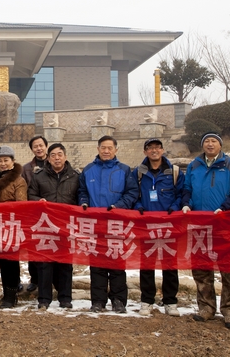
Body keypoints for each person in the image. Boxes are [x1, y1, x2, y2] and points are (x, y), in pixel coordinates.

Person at [182, 132, 230, 329]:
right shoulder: (194, 165)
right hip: (199, 224)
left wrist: (226, 207)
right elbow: (187, 189)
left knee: (228, 268)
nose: (210, 144)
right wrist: (186, 203)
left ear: (220, 145)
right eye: (206, 141)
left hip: (224, 223)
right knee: (201, 268)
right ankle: (206, 307)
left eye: (213, 141)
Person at [78, 136, 139, 314]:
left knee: (117, 263)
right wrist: (83, 202)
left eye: (109, 148)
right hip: (95, 225)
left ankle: (119, 300)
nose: (106, 151)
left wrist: (119, 206)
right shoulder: (88, 170)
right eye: (103, 148)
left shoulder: (124, 170)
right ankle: (98, 301)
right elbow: (82, 191)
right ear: (98, 149)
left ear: (115, 150)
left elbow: (132, 192)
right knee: (96, 264)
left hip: (117, 223)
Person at [132, 138, 184, 317]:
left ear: (162, 150)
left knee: (170, 264)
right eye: (150, 148)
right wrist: (138, 206)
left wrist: (175, 207)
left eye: (157, 147)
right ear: (145, 151)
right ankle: (147, 300)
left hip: (169, 224)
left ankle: (170, 301)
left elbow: (182, 193)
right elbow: (133, 193)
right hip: (146, 224)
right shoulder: (138, 172)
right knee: (147, 264)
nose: (154, 150)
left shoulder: (174, 172)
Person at [28, 143, 79, 310]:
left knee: (65, 263)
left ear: (65, 156)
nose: (57, 158)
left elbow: (80, 197)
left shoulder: (75, 176)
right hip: (46, 226)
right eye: (53, 155)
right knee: (44, 264)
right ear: (48, 159)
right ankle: (44, 299)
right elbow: (30, 194)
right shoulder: (39, 176)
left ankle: (65, 298)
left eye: (60, 154)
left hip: (66, 225)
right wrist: (38, 201)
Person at [0, 146, 27, 308]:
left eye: (6, 160)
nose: (2, 163)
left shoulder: (18, 180)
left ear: (13, 161)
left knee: (11, 261)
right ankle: (6, 293)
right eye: (0, 160)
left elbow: (21, 204)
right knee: (3, 260)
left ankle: (11, 296)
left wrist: (0, 207)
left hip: (11, 224)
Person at [21, 135, 48, 293]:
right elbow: (24, 190)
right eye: (35, 146)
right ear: (32, 149)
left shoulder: (54, 163)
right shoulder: (26, 169)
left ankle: (52, 280)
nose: (39, 148)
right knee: (33, 247)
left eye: (41, 145)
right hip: (33, 213)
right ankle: (35, 279)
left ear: (46, 146)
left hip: (52, 212)